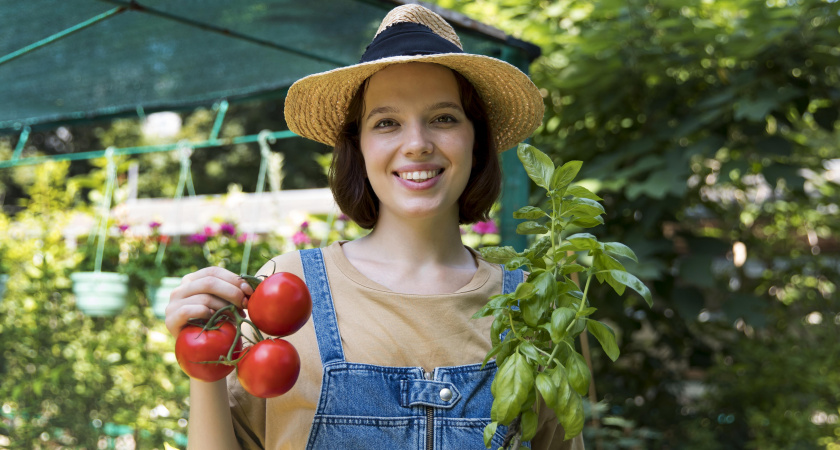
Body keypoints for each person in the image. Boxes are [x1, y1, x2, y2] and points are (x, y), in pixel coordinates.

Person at [165, 4, 585, 449]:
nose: (417, 144)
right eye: (386, 123)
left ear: (476, 139)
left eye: (444, 118)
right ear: (358, 147)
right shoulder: (283, 290)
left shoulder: (528, 307)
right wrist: (203, 365)